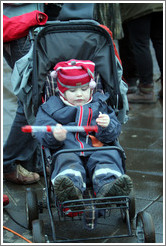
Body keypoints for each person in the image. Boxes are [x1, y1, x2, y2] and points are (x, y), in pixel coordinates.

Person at [34, 59, 133, 205]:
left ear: (92, 88)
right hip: (67, 148)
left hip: (96, 147)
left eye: (84, 89)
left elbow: (114, 131)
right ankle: (70, 190)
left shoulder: (100, 104)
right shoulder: (52, 108)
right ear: (62, 90)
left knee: (109, 154)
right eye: (72, 91)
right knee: (65, 161)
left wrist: (107, 126)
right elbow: (41, 129)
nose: (79, 94)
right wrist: (54, 135)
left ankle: (108, 186)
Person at [3, 5, 48, 184]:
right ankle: (8, 162)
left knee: (39, 96)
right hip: (21, 24)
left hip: (29, 22)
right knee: (32, 98)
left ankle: (33, 162)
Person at [120, 3, 163, 103]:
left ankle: (146, 91)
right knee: (160, 41)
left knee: (140, 44)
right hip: (159, 6)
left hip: (138, 8)